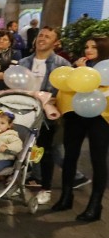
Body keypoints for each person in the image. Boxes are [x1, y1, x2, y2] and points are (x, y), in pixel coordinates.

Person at [50, 36, 109, 221]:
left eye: (94, 47)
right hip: (76, 114)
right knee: (70, 155)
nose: (88, 50)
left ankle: (95, 204)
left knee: (98, 159)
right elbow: (67, 87)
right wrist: (77, 70)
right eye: (86, 46)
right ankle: (66, 196)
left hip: (102, 117)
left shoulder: (106, 69)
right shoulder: (81, 67)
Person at [18, 26, 68, 205]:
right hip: (24, 113)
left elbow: (66, 91)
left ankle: (45, 187)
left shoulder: (62, 64)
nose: (42, 39)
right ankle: (19, 180)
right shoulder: (23, 62)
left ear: (56, 42)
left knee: (46, 151)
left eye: (47, 37)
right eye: (40, 35)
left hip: (47, 117)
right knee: (21, 149)